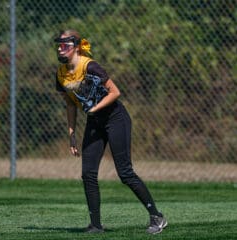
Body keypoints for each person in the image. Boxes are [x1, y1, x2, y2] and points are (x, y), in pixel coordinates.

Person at [54, 29, 167, 234]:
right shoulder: (61, 73)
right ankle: (96, 225)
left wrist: (95, 108)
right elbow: (70, 105)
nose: (61, 48)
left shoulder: (91, 67)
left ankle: (157, 216)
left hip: (115, 119)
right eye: (59, 45)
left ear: (76, 47)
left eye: (65, 45)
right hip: (94, 121)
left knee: (125, 173)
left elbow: (115, 92)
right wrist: (72, 133)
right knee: (88, 173)